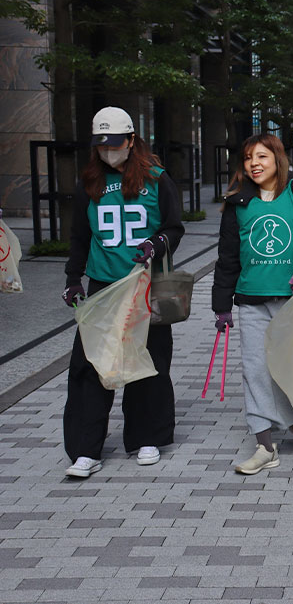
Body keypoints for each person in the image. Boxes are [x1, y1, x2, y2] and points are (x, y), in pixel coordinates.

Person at [61, 106, 184, 478]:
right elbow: (80, 238)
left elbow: (175, 227)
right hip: (103, 287)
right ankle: (86, 449)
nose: (109, 151)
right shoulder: (90, 184)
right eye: (102, 145)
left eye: (115, 144)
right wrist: (72, 278)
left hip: (145, 286)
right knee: (91, 364)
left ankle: (146, 436)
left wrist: (157, 243)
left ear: (132, 141)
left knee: (149, 360)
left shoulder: (158, 180)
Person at [212, 134, 293, 475]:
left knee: (291, 366)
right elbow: (227, 258)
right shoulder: (237, 202)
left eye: (262, 156)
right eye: (249, 157)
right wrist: (222, 306)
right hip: (250, 300)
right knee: (255, 370)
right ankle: (265, 444)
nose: (254, 163)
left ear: (277, 159)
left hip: (292, 302)